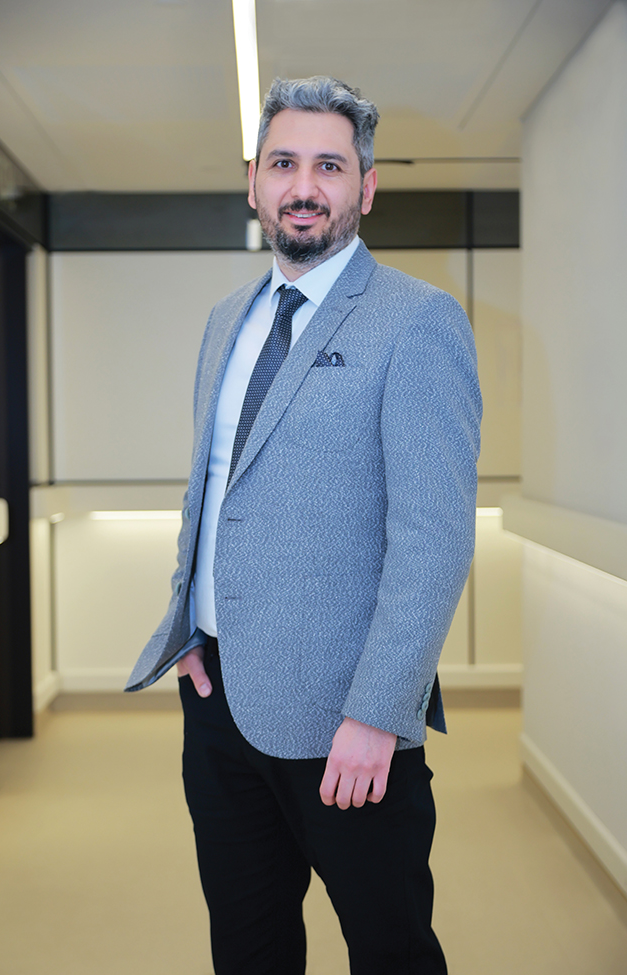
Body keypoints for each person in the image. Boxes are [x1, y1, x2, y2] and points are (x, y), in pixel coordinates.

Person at [126, 76, 481, 974]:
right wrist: (189, 622)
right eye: (283, 163)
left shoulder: (418, 321)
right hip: (218, 705)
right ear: (253, 181)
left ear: (367, 187)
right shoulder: (227, 321)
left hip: (346, 718)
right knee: (248, 948)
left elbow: (433, 538)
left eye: (330, 165)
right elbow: (213, 487)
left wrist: (377, 711)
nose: (304, 186)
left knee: (391, 950)